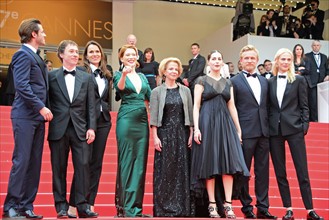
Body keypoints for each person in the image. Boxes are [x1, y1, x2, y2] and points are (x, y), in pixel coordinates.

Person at [2, 18, 52, 219]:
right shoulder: (22, 55)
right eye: (43, 31)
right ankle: (11, 206)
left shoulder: (36, 56)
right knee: (22, 161)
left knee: (34, 162)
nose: (45, 35)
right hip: (25, 116)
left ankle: (26, 205)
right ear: (34, 34)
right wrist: (41, 108)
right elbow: (22, 86)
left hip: (37, 118)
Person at [191, 50, 250, 219]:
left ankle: (228, 204)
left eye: (219, 59)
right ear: (208, 62)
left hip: (225, 125)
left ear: (222, 63)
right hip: (207, 124)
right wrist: (196, 128)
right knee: (209, 164)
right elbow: (196, 106)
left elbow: (232, 107)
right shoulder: (201, 80)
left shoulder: (228, 83)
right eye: (214, 59)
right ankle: (212, 205)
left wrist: (238, 129)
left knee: (229, 165)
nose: (217, 61)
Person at [268, 48, 324, 220]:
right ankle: (288, 208)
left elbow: (305, 105)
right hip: (274, 131)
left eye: (288, 59)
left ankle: (310, 209)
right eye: (282, 59)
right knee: (280, 171)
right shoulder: (269, 82)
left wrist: (304, 126)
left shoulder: (299, 80)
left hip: (294, 129)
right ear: (276, 61)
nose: (285, 62)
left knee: (302, 170)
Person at [48, 40, 98, 218]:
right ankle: (61, 206)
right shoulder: (51, 76)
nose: (76, 54)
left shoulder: (86, 77)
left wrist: (92, 127)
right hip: (58, 128)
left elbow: (91, 106)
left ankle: (82, 206)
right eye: (71, 51)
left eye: (77, 52)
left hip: (81, 128)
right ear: (61, 54)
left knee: (83, 167)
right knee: (58, 168)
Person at [67, 40, 113, 216]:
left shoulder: (106, 74)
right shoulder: (80, 72)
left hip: (103, 121)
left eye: (97, 51)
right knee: (83, 163)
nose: (95, 54)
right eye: (91, 52)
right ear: (85, 55)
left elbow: (105, 98)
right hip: (85, 123)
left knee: (96, 165)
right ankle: (74, 205)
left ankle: (90, 204)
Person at [230, 45, 277, 219]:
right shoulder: (234, 81)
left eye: (252, 58)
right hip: (245, 132)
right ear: (241, 61)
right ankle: (246, 207)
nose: (249, 61)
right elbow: (231, 107)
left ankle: (263, 207)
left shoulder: (265, 81)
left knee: (263, 172)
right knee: (244, 172)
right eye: (246, 58)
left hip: (264, 132)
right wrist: (236, 131)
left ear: (257, 60)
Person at [150, 57, 194, 217]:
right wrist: (155, 137)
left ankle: (182, 208)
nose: (174, 71)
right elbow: (154, 117)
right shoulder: (156, 91)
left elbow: (189, 114)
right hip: (164, 134)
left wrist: (190, 133)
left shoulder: (186, 91)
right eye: (171, 69)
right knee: (165, 172)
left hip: (182, 134)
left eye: (176, 69)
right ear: (164, 71)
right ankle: (163, 208)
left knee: (182, 170)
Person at [113, 44, 151, 217]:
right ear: (121, 58)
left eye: (133, 54)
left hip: (142, 121)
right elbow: (120, 89)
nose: (131, 57)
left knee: (140, 165)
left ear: (137, 57)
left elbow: (150, 97)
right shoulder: (118, 75)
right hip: (126, 121)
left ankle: (137, 208)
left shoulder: (143, 76)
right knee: (128, 163)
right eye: (127, 55)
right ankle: (126, 208)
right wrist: (125, 74)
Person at [305, 40, 329, 122]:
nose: (316, 47)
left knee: (322, 103)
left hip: (323, 83)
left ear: (320, 46)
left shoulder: (324, 57)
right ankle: (314, 120)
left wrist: (327, 75)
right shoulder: (307, 56)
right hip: (312, 83)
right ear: (312, 46)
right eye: (314, 45)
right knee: (313, 103)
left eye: (318, 45)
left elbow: (327, 69)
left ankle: (322, 119)